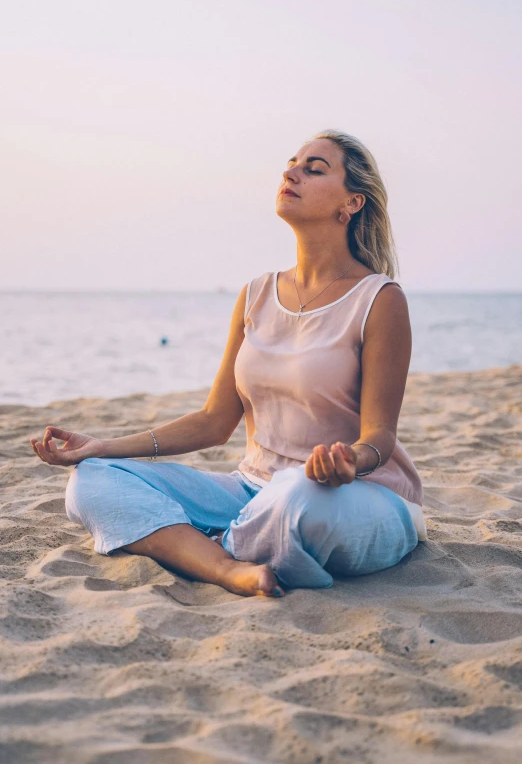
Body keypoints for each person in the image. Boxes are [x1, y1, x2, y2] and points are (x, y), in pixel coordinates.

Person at [30, 129, 427, 599]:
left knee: (296, 497)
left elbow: (379, 435)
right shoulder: (257, 293)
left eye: (313, 168)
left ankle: (219, 541)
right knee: (92, 481)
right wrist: (102, 446)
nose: (291, 172)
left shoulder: (379, 299)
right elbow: (215, 422)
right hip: (250, 490)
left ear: (352, 203)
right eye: (292, 162)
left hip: (353, 496)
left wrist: (349, 461)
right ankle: (224, 566)